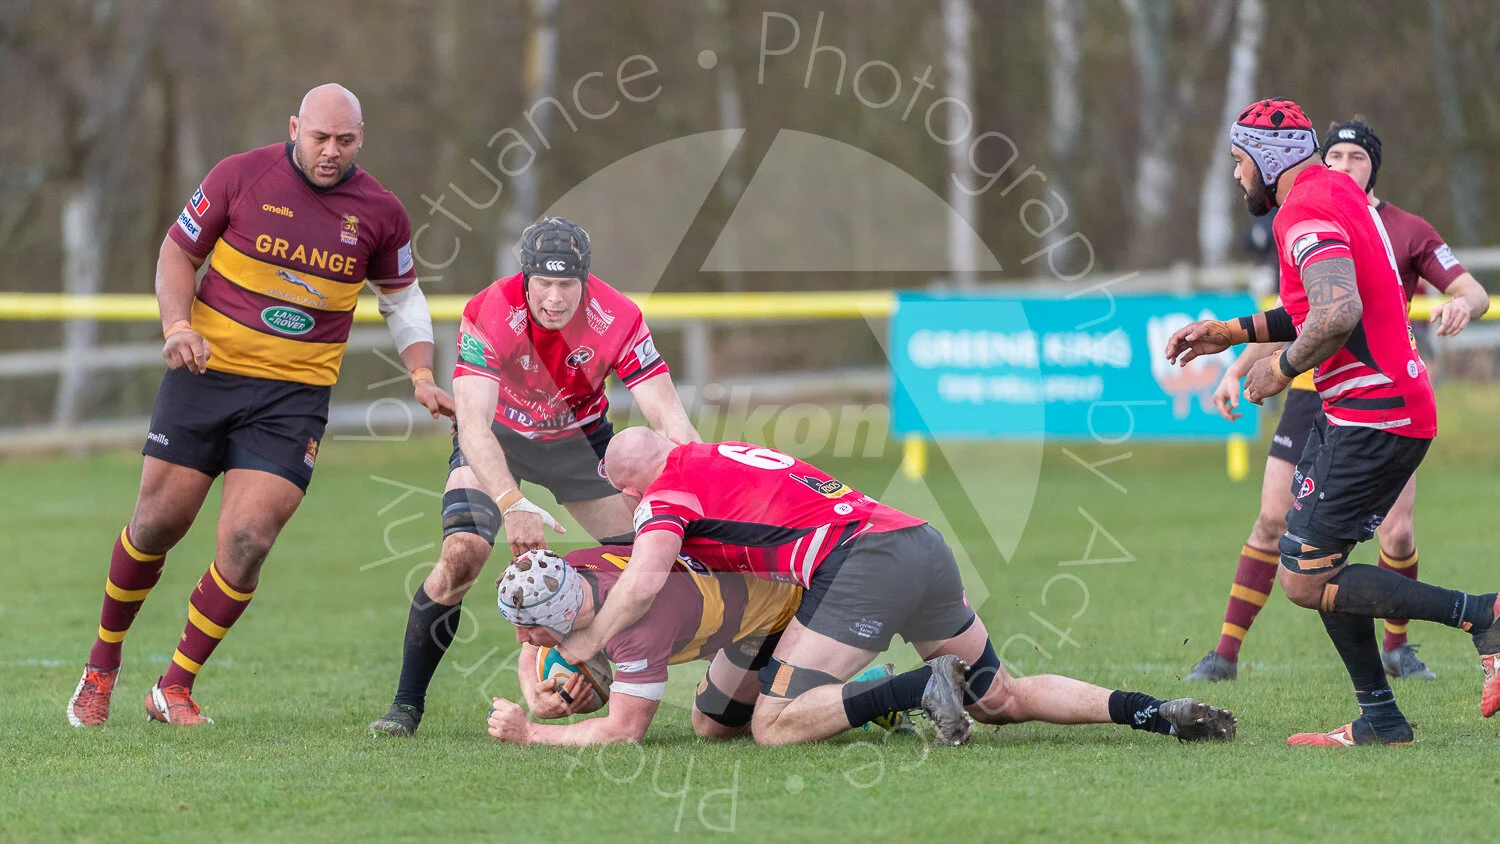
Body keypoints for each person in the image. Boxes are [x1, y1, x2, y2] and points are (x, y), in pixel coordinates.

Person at [66, 84, 453, 727]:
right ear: (294, 127)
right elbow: (177, 252)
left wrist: (419, 372)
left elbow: (401, 296)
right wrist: (176, 327)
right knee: (157, 524)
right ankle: (101, 667)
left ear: (362, 139)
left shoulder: (381, 212)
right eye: (319, 138)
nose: (331, 152)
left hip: (292, 399)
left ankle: (175, 686)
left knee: (248, 541)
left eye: (345, 141)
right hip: (205, 373)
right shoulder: (240, 175)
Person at [552, 429, 1236, 747]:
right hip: (917, 541)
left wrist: (588, 637)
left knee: (773, 726)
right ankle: (1153, 713)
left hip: (861, 565)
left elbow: (643, 582)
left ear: (627, 484)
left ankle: (914, 687)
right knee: (1000, 697)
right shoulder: (712, 454)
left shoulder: (662, 494)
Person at [1165, 98, 1500, 747]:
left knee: (1306, 576)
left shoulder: (1306, 208)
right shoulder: (1331, 195)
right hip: (1368, 411)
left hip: (1377, 414)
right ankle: (1380, 716)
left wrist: (1279, 369)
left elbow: (1336, 313)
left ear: (1266, 158)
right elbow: (1316, 305)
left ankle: (1484, 615)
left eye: (1239, 163)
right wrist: (1229, 334)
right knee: (1314, 566)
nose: (1237, 178)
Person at [368, 217, 700, 736]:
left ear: (585, 280)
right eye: (544, 283)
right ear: (525, 277)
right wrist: (510, 500)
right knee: (463, 554)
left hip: (579, 443)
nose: (554, 297)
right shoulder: (489, 310)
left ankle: (627, 675)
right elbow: (472, 424)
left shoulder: (620, 317)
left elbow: (669, 418)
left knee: (659, 556)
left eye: (567, 283)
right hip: (498, 440)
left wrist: (709, 483)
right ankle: (406, 706)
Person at [485, 545, 845, 745]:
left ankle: (844, 697)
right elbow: (531, 637)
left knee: (771, 726)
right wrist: (533, 694)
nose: (521, 638)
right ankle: (793, 691)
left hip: (779, 612)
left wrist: (530, 733)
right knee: (712, 725)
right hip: (736, 592)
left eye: (528, 628)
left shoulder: (636, 631)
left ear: (561, 618)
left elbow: (624, 732)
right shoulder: (570, 573)